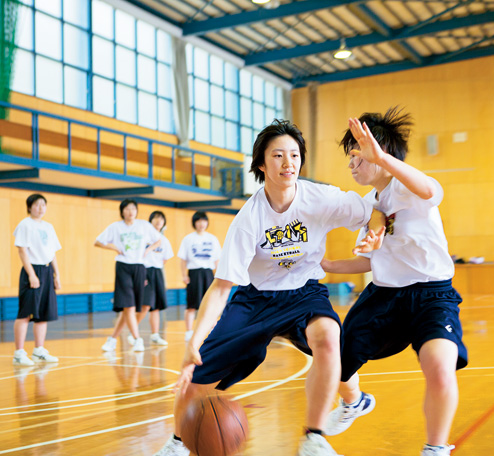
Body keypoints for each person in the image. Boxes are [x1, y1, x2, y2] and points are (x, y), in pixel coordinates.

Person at [153, 119, 384, 456]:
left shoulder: (320, 198)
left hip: (304, 291)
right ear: (261, 164)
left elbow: (373, 212)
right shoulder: (249, 219)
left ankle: (315, 436)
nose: (288, 163)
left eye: (294, 154)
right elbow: (220, 287)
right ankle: (176, 443)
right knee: (194, 378)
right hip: (255, 299)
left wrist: (375, 233)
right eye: (277, 155)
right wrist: (194, 342)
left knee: (329, 339)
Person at [320, 109, 467, 456]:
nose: (351, 165)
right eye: (350, 160)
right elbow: (369, 261)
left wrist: (383, 158)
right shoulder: (371, 204)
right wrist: (324, 263)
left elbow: (430, 191)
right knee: (336, 364)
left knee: (440, 368)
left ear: (378, 151)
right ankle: (355, 402)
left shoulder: (410, 186)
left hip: (432, 295)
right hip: (384, 296)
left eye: (356, 156)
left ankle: (435, 448)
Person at [95, 199, 161, 352]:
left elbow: (158, 240)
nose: (131, 211)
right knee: (128, 306)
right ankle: (137, 339)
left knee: (130, 309)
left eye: (133, 208)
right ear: (122, 211)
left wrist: (147, 250)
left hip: (139, 267)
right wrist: (113, 247)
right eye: (127, 209)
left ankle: (112, 339)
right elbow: (97, 242)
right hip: (123, 266)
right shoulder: (116, 227)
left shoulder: (144, 225)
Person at [12, 194, 62, 365]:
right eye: (37, 205)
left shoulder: (49, 227)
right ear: (29, 207)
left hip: (47, 270)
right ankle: (19, 353)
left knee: (43, 314)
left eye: (43, 205)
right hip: (32, 270)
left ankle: (38, 350)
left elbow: (52, 252)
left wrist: (57, 274)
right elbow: (22, 251)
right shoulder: (25, 225)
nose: (40, 208)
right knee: (26, 313)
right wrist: (32, 274)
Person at [119, 211, 174, 347]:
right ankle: (133, 333)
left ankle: (155, 334)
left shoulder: (164, 240)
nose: (158, 221)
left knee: (155, 307)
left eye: (161, 219)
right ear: (150, 221)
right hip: (144, 271)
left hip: (157, 272)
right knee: (145, 305)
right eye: (155, 219)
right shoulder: (142, 237)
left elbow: (166, 258)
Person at [176, 211, 221, 342]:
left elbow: (217, 260)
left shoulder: (212, 239)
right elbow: (183, 260)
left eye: (204, 221)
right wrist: (184, 275)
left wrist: (218, 276)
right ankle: (189, 331)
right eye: (198, 221)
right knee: (191, 305)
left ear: (207, 222)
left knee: (210, 304)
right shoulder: (188, 239)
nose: (201, 224)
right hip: (194, 273)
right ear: (194, 223)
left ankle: (213, 329)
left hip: (208, 273)